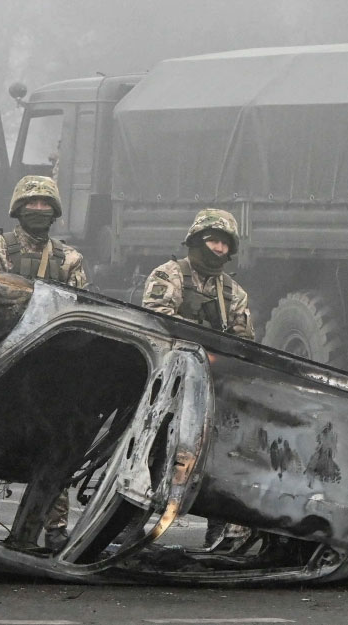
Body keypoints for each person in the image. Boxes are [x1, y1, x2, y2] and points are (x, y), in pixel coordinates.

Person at [0, 175, 88, 551]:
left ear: (55, 212)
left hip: (51, 367)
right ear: (17, 209)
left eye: (45, 205)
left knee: (56, 447)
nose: (38, 210)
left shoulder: (70, 259)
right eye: (31, 204)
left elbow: (82, 310)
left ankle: (55, 526)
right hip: (0, 360)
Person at [142, 207, 254, 548]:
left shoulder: (233, 292)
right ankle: (129, 525)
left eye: (224, 244)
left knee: (215, 459)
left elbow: (244, 340)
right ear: (196, 240)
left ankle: (218, 531)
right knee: (153, 455)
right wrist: (204, 332)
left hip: (211, 385)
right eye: (212, 240)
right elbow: (156, 319)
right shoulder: (169, 275)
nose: (218, 249)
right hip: (168, 384)